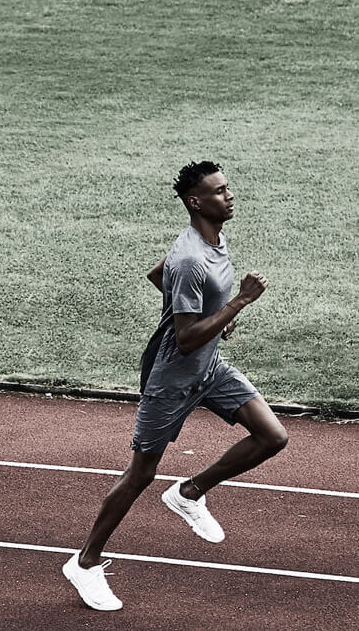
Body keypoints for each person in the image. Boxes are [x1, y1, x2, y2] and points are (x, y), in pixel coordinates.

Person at [62, 161, 289, 610]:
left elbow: (157, 277)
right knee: (139, 474)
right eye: (220, 191)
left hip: (210, 370)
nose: (230, 196)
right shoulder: (190, 259)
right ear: (195, 201)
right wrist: (239, 302)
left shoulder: (211, 241)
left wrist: (215, 317)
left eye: (228, 188)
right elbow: (185, 339)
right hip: (172, 381)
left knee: (272, 436)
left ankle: (188, 492)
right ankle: (85, 563)